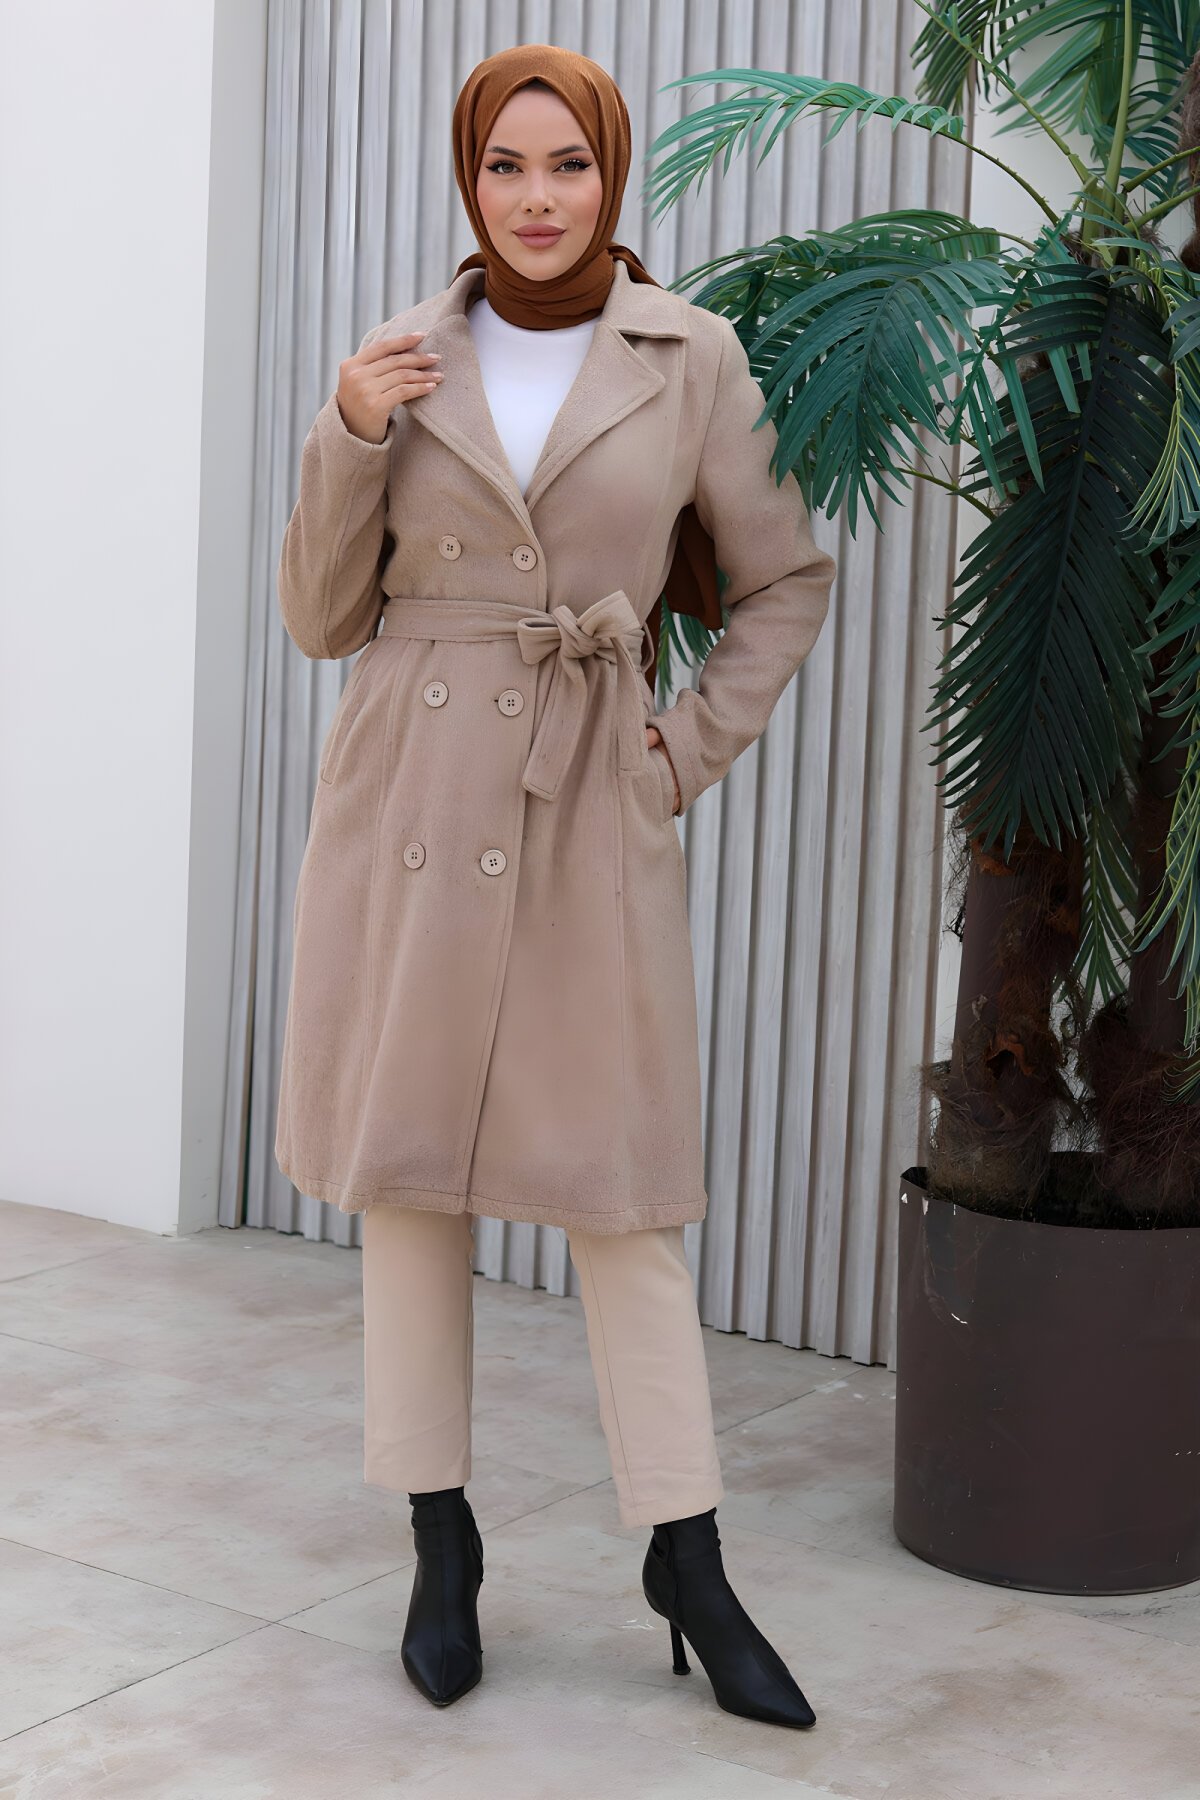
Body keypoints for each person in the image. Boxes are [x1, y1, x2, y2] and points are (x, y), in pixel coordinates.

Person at [275, 43, 837, 1726]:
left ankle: (689, 1557)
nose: (536, 198)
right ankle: (439, 1541)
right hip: (414, 790)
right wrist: (348, 432)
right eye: (505, 166)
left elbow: (785, 579)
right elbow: (320, 617)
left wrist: (675, 756)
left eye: (568, 165)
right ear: (470, 179)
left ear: (612, 174)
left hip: (588, 791)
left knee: (621, 1191)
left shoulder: (688, 354)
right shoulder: (402, 358)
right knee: (409, 1181)